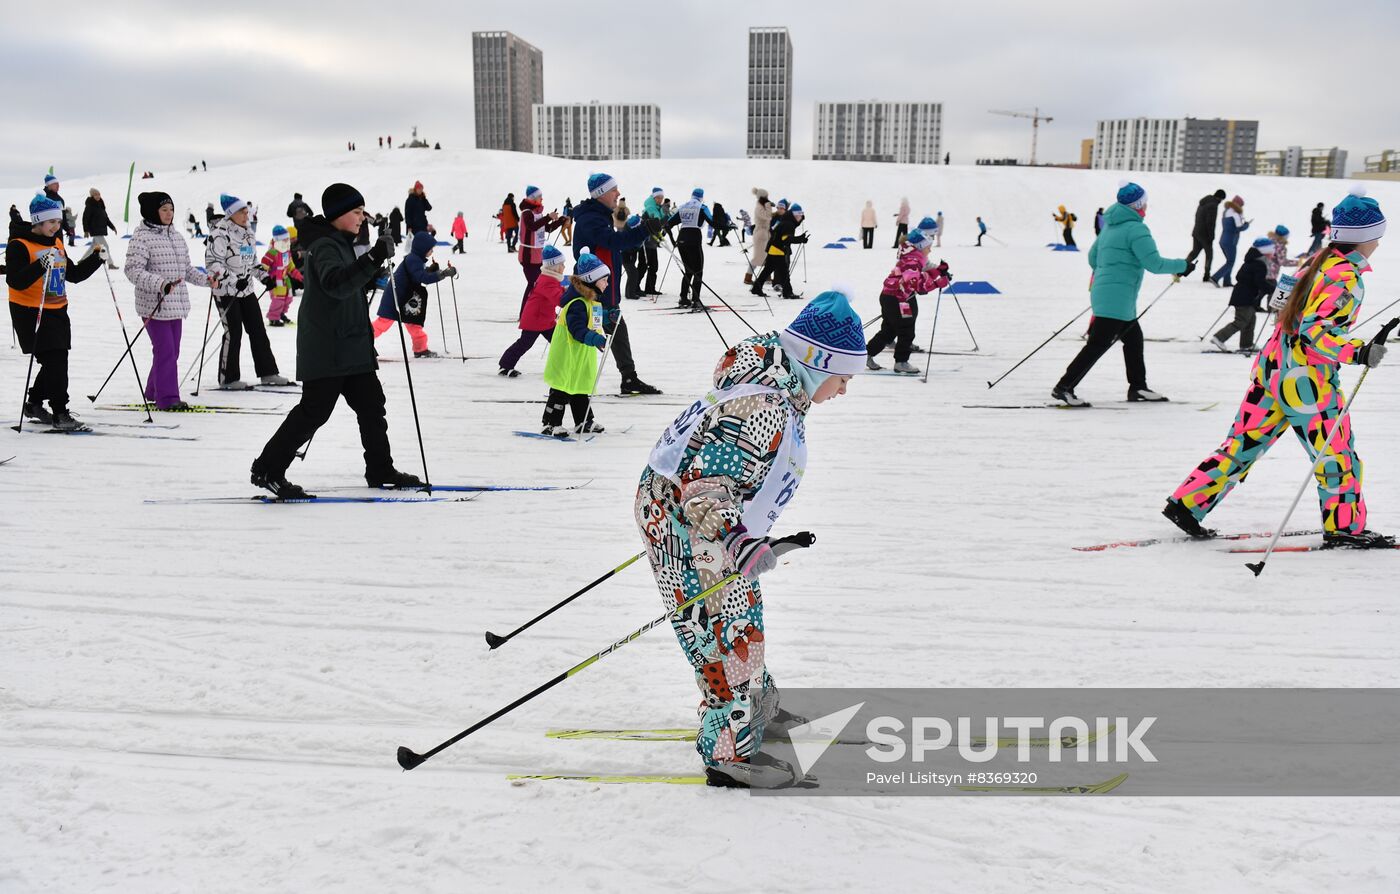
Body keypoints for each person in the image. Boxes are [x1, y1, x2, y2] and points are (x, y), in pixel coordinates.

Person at [633, 289, 865, 788]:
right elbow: (707, 485)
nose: (845, 390)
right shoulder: (765, 404)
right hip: (690, 520)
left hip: (695, 515)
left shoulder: (776, 381)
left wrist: (748, 533)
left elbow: (733, 472)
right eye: (843, 377)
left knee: (741, 615)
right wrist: (737, 539)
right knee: (726, 629)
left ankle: (752, 711)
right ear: (818, 363)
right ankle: (728, 751)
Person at [1165, 188, 1392, 549]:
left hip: (1272, 369)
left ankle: (1187, 503)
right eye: (1377, 235)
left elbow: (1278, 303)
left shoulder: (1314, 262)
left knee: (1242, 444)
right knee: (1337, 455)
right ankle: (1345, 527)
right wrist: (1359, 352)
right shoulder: (1346, 277)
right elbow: (1315, 333)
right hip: (1307, 383)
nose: (1378, 243)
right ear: (1364, 238)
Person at [250, 183, 423, 499]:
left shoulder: (340, 242)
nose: (362, 219)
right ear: (340, 214)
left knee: (372, 405)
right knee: (314, 411)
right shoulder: (326, 246)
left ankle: (380, 468)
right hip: (328, 346)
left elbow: (350, 283)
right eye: (356, 213)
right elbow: (336, 285)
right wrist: (372, 257)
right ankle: (268, 468)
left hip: (350, 344)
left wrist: (373, 268)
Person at [1051, 182, 1191, 407]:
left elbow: (1092, 259)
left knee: (1133, 340)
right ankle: (1064, 387)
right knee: (1097, 344)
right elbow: (1153, 263)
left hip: (1108, 293)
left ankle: (1138, 387)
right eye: (1144, 203)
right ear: (1137, 205)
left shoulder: (1109, 226)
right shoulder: (1137, 229)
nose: (1146, 207)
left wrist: (1111, 274)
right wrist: (1182, 265)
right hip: (1118, 297)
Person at [8, 194, 105, 430]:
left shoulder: (57, 243)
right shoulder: (19, 245)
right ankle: (60, 412)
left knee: (56, 360)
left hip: (58, 309)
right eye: (51, 222)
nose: (56, 226)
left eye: (59, 222)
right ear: (38, 221)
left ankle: (33, 403)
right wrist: (41, 265)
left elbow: (72, 275)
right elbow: (15, 281)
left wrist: (95, 260)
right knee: (56, 361)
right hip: (30, 311)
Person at [569, 171, 662, 395]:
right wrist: (642, 231)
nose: (618, 193)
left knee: (616, 330)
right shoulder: (591, 218)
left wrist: (638, 230)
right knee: (585, 332)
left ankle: (628, 378)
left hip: (604, 291)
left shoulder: (599, 216)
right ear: (601, 193)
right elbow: (612, 242)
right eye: (613, 190)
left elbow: (612, 245)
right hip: (594, 292)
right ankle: (568, 385)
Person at [124, 191, 212, 411]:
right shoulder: (142, 237)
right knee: (166, 351)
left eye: (171, 209)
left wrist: (207, 280)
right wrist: (160, 283)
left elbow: (187, 270)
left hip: (176, 305)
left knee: (171, 351)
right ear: (153, 212)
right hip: (154, 305)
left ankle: (154, 391)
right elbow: (132, 270)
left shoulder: (177, 237)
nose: (169, 214)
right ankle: (168, 398)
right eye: (164, 210)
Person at [205, 194, 289, 389]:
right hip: (226, 291)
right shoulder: (219, 233)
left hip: (246, 290)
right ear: (230, 214)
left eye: (246, 211)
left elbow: (251, 263)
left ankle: (268, 372)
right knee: (233, 332)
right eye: (241, 212)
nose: (246, 215)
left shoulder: (247, 233)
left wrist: (264, 277)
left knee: (258, 330)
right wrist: (234, 281)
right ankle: (229, 378)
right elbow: (213, 264)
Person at [540, 252, 612, 436]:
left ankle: (584, 421)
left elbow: (593, 323)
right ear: (592, 280)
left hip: (581, 355)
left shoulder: (592, 301)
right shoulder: (577, 303)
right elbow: (577, 329)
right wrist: (593, 338)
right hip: (567, 354)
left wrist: (607, 318)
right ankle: (551, 423)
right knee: (561, 389)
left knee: (580, 388)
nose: (607, 283)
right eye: (604, 280)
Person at [865, 229, 951, 373]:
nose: (930, 250)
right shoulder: (913, 261)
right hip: (900, 300)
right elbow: (916, 285)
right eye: (928, 246)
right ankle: (901, 362)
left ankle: (867, 354)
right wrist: (938, 283)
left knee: (889, 330)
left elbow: (918, 278)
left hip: (891, 297)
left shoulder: (912, 259)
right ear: (920, 247)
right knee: (906, 330)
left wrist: (937, 272)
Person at [372, 230, 456, 358]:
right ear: (423, 249)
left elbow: (417, 274)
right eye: (430, 249)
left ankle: (420, 349)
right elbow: (422, 278)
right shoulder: (413, 259)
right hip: (395, 297)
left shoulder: (416, 259)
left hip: (405, 297)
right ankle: (363, 343)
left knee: (413, 323)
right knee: (383, 323)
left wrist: (430, 270)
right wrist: (441, 274)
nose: (432, 251)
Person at [499, 245, 565, 377]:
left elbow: (558, 294)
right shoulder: (547, 280)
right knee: (525, 343)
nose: (564, 267)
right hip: (535, 319)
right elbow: (559, 300)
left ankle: (563, 366)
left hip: (544, 319)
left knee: (559, 342)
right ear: (554, 266)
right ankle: (505, 365)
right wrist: (570, 294)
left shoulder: (550, 278)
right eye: (562, 264)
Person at [1209, 237, 1274, 353]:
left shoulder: (1252, 261)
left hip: (1243, 295)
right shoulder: (1259, 264)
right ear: (1265, 251)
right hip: (1245, 297)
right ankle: (1219, 337)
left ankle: (1246, 344)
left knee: (1250, 319)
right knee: (1242, 320)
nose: (1272, 254)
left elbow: (1241, 277)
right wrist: (1272, 289)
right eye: (1271, 251)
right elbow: (1259, 282)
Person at [517, 185, 563, 312]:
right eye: (540, 197)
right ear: (533, 198)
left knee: (536, 284)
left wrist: (560, 221)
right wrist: (548, 217)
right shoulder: (527, 212)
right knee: (534, 284)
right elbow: (532, 226)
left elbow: (546, 228)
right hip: (528, 256)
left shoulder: (537, 213)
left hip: (537, 256)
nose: (542, 199)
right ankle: (525, 313)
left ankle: (532, 311)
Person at [668, 187, 715, 311]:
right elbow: (712, 221)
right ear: (701, 196)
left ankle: (683, 298)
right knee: (698, 271)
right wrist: (726, 225)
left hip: (682, 238)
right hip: (694, 238)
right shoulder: (702, 207)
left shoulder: (683, 206)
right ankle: (696, 300)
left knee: (688, 270)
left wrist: (673, 240)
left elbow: (668, 224)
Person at [751, 199, 804, 299]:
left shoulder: (786, 221)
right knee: (784, 273)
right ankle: (788, 293)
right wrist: (800, 239)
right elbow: (785, 239)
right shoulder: (789, 224)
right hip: (778, 250)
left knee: (767, 270)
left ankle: (756, 288)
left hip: (773, 249)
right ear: (795, 215)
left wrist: (799, 238)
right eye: (799, 215)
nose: (800, 217)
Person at [259, 225, 301, 326]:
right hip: (275, 280)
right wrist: (267, 278)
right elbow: (263, 266)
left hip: (285, 279)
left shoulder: (287, 252)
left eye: (288, 239)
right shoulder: (272, 252)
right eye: (285, 239)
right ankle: (273, 318)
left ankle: (280, 313)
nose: (287, 241)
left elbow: (290, 266)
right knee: (278, 299)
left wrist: (297, 275)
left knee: (288, 298)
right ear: (278, 241)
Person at [1184, 189, 1226, 282]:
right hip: (1205, 234)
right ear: (1219, 198)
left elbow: (1197, 216)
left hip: (1197, 231)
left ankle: (1180, 268)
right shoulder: (1213, 205)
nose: (1221, 202)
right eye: (1221, 200)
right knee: (1209, 255)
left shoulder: (1203, 202)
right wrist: (1211, 236)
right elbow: (1210, 222)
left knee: (1194, 252)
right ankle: (1206, 275)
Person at [1211, 195, 1250, 287]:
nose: (1241, 207)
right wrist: (1247, 225)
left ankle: (1227, 281)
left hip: (1223, 240)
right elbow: (1239, 227)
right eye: (1241, 205)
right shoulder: (1235, 214)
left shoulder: (1226, 211)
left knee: (1229, 261)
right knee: (1230, 262)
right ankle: (1215, 278)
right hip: (1231, 241)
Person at [81, 188, 118, 269]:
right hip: (95, 230)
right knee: (105, 246)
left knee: (93, 247)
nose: (98, 196)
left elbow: (106, 218)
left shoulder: (100, 204)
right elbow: (85, 218)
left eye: (99, 194)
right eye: (95, 195)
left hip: (100, 230)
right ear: (92, 196)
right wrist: (86, 230)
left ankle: (82, 260)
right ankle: (110, 264)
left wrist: (112, 227)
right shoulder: (90, 205)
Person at [639, 187, 667, 297]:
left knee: (653, 266)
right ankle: (635, 287)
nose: (660, 200)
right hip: (646, 242)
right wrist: (667, 217)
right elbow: (658, 222)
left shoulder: (657, 207)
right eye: (658, 197)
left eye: (662, 198)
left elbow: (658, 225)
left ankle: (650, 288)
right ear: (654, 197)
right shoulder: (651, 207)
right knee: (643, 266)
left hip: (652, 242)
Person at [1262, 224, 1299, 293]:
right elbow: (1283, 262)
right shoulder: (1280, 246)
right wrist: (1298, 262)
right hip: (1271, 274)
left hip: (1261, 271)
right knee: (1273, 294)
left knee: (1260, 292)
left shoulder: (1268, 241)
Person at [746, 188, 772, 284]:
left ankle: (767, 277)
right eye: (766, 197)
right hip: (760, 234)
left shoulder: (762, 206)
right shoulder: (759, 208)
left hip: (764, 234)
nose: (767, 199)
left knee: (767, 257)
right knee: (758, 258)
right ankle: (748, 277)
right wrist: (769, 206)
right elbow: (767, 216)